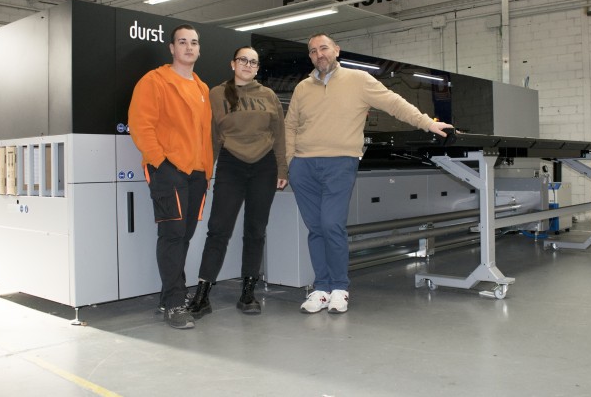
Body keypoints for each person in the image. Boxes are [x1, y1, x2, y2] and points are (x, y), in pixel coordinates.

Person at [285, 33, 453, 314]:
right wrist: (290, 162)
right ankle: (321, 289)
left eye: (324, 48)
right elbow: (290, 125)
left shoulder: (359, 80)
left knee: (331, 225)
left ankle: (340, 287)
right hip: (304, 166)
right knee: (315, 229)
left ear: (336, 50)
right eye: (313, 51)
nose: (319, 54)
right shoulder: (303, 87)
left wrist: (426, 123)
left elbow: (394, 103)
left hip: (340, 163)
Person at [187, 46, 288, 318]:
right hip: (231, 164)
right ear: (233, 64)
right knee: (218, 229)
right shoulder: (217, 94)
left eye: (253, 62)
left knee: (255, 231)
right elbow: (211, 135)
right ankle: (202, 295)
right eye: (243, 60)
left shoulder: (268, 96)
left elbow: (279, 135)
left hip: (264, 166)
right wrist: (204, 171)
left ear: (257, 68)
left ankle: (248, 293)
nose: (248, 65)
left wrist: (282, 169)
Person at [128, 24, 213, 330]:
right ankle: (175, 303)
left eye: (194, 42)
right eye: (183, 42)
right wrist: (161, 164)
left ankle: (169, 297)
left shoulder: (202, 88)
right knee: (172, 235)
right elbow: (141, 126)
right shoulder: (155, 81)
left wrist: (207, 170)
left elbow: (205, 134)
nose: (189, 47)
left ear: (199, 49)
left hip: (198, 174)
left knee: (184, 236)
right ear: (172, 48)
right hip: (168, 172)